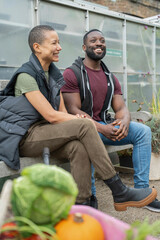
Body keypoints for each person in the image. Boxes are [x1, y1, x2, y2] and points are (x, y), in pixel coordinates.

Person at [0, 25, 157, 211]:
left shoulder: (53, 74)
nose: (59, 47)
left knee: (78, 147)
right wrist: (84, 120)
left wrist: (78, 117)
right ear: (37, 47)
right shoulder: (26, 75)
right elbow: (50, 115)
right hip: (26, 136)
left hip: (47, 133)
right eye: (54, 43)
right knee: (85, 126)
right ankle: (118, 189)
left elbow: (63, 113)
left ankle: (84, 205)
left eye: (59, 42)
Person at [61, 29, 160, 212]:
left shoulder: (109, 76)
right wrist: (100, 128)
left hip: (105, 125)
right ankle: (90, 197)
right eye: (93, 41)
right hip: (82, 129)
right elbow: (73, 110)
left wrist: (123, 122)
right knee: (88, 138)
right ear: (84, 47)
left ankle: (141, 192)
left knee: (143, 131)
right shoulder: (72, 73)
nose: (99, 43)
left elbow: (121, 108)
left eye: (102, 40)